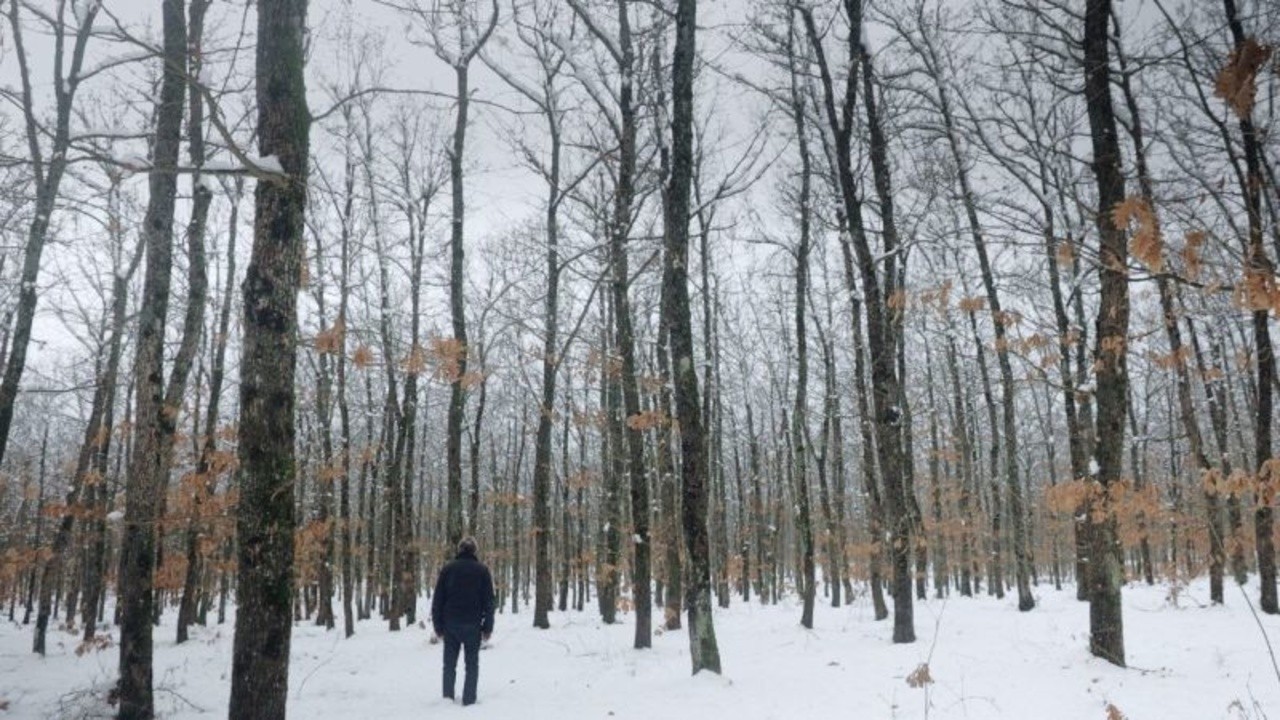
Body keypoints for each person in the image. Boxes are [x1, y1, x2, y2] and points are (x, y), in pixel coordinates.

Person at [431, 536, 495, 706]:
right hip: (473, 624)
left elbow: (438, 599)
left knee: (449, 665)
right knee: (472, 665)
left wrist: (438, 626)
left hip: (450, 624)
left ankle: (447, 698)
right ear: (475, 551)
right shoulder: (482, 571)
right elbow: (489, 602)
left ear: (459, 550)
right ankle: (469, 699)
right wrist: (488, 627)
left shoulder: (448, 569)